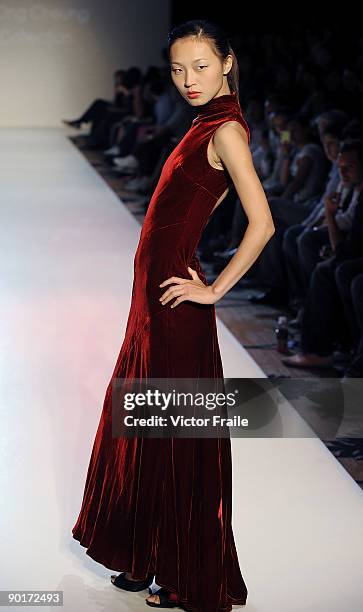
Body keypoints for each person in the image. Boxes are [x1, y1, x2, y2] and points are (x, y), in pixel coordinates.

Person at [72, 19, 275, 611]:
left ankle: (187, 573)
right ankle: (143, 559)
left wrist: (216, 293)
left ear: (228, 63)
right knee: (148, 434)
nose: (188, 80)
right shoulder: (203, 121)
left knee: (174, 438)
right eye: (178, 69)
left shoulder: (227, 130)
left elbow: (263, 224)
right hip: (152, 306)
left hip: (175, 308)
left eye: (201, 67)